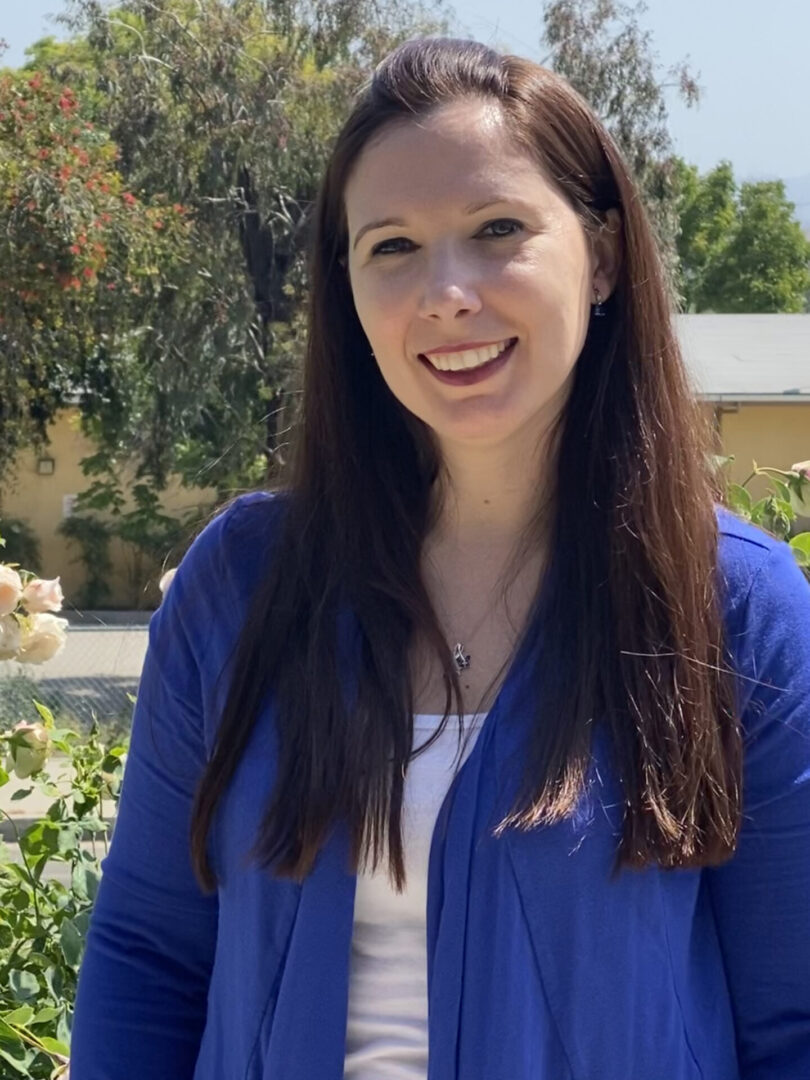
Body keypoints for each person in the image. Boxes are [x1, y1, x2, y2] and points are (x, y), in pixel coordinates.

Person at [69, 36, 810, 1080]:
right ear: (349, 289)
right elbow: (148, 960)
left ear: (599, 257)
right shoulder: (243, 588)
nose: (446, 293)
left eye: (497, 229)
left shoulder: (735, 611)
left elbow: (793, 1022)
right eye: (393, 247)